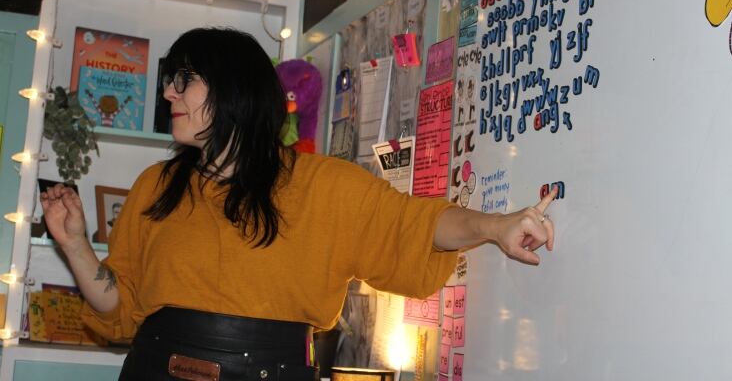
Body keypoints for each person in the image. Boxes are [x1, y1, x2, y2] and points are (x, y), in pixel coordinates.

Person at [41, 27, 558, 381]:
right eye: (170, 83)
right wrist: (75, 245)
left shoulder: (323, 186)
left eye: (184, 82)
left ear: (233, 91)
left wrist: (495, 225)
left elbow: (416, 224)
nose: (170, 95)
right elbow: (118, 306)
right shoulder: (156, 186)